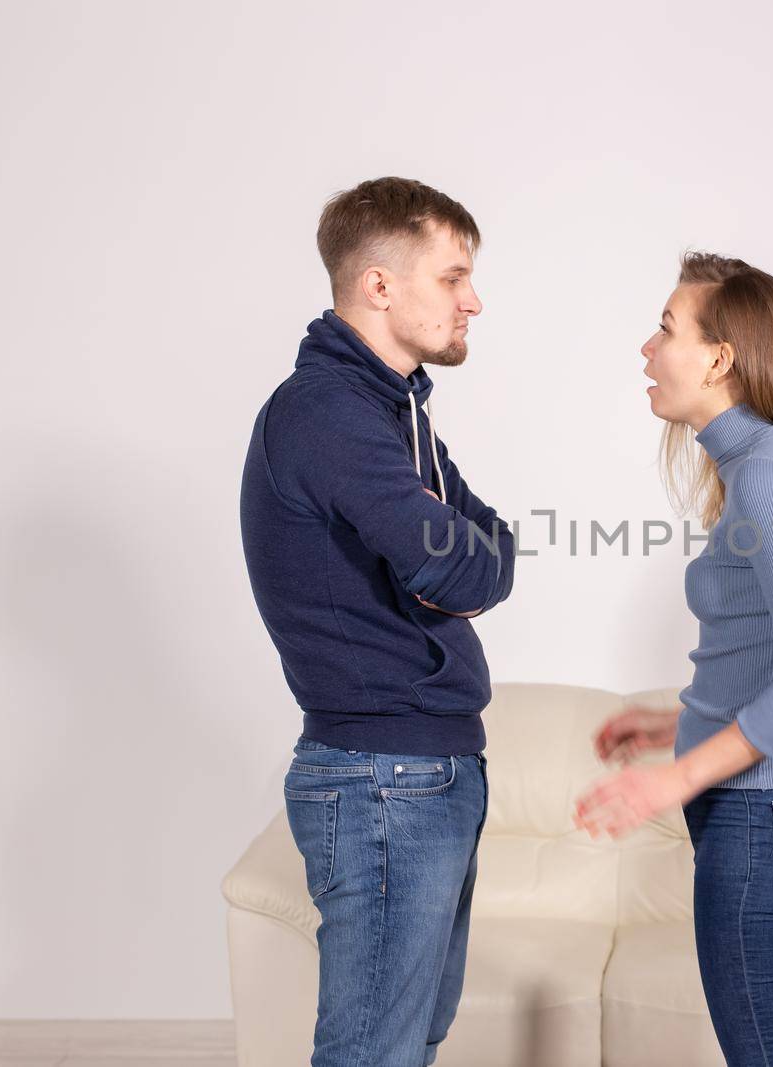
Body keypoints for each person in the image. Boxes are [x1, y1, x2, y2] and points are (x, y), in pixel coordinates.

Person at [238, 177, 514, 1067]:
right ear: (381, 286)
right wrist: (448, 562)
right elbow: (451, 559)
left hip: (423, 769)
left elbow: (496, 549)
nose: (473, 300)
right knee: (373, 1054)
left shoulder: (393, 414)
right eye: (453, 277)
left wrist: (453, 557)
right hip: (382, 779)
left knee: (406, 1044)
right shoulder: (328, 413)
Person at [574, 251, 773, 1066]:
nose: (646, 348)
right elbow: (770, 652)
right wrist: (676, 723)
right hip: (763, 820)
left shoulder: (768, 474)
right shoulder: (754, 468)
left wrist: (674, 776)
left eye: (666, 328)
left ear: (720, 356)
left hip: (765, 822)